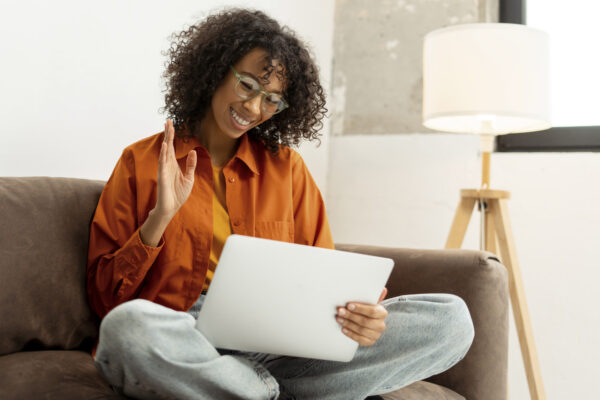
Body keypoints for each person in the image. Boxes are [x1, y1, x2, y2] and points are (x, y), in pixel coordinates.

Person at [86, 8, 474, 400]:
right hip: (187, 338)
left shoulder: (288, 170)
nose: (254, 109)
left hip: (280, 344)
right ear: (216, 70)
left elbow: (325, 282)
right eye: (247, 86)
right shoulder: (141, 161)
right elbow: (106, 301)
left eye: (272, 100)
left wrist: (360, 318)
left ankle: (247, 388)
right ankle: (272, 391)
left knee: (451, 320)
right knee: (127, 329)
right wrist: (160, 218)